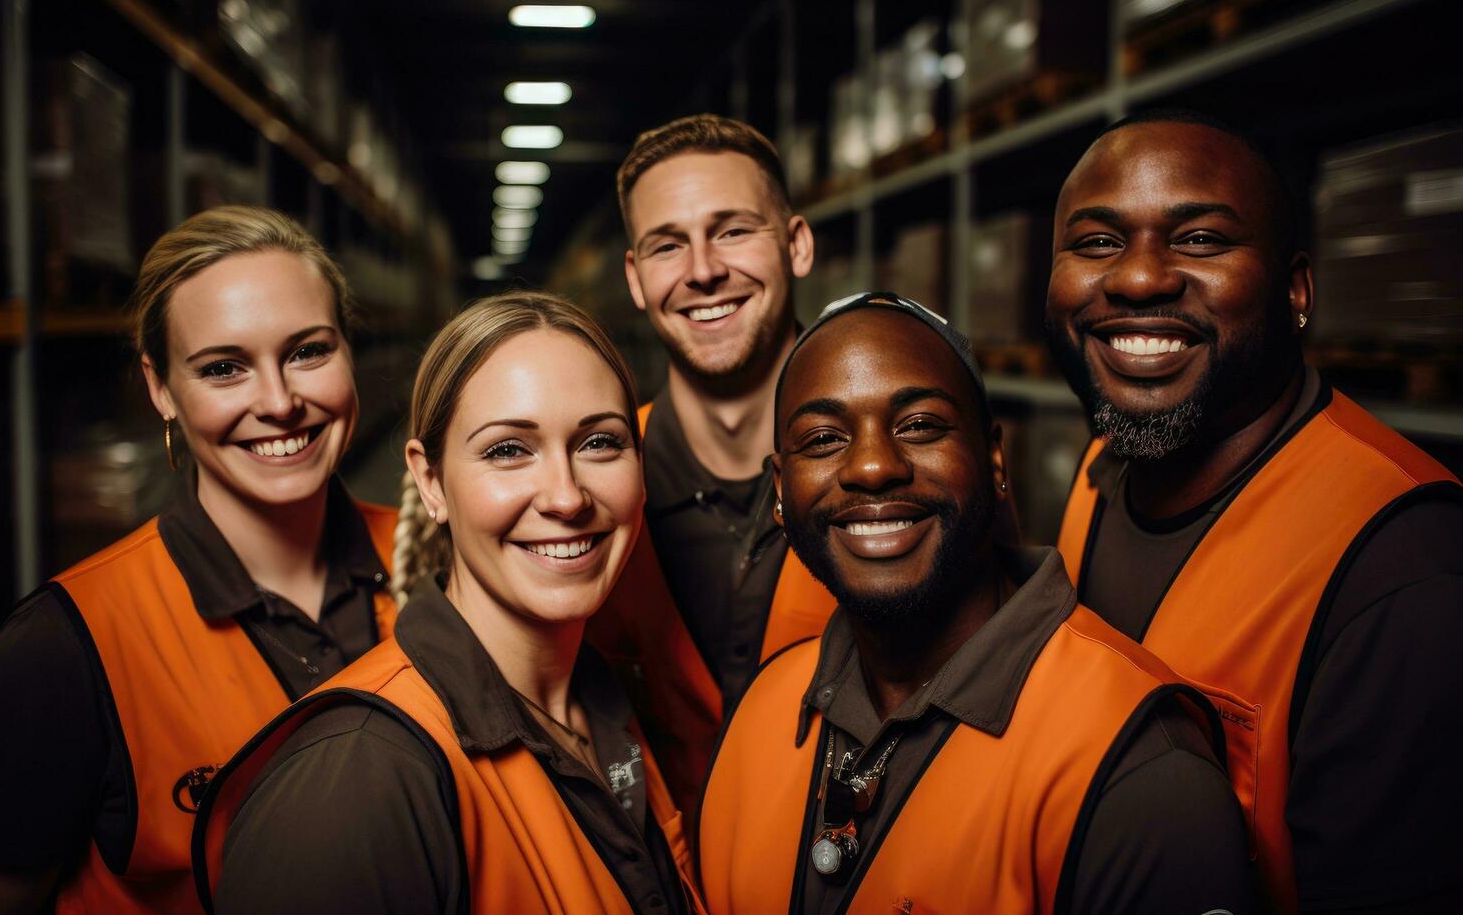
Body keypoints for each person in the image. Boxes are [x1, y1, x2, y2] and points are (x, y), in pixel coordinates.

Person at [699, 292, 1256, 913]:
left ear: (994, 458)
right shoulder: (760, 716)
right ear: (781, 491)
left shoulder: (1141, 777)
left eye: (919, 425)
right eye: (824, 438)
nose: (874, 466)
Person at [1046, 108, 1463, 913]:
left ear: (1296, 290)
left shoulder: (1403, 574)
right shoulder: (1103, 469)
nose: (1138, 278)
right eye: (1098, 241)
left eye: (1199, 240)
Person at [195, 291, 705, 915]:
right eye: (507, 450)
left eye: (599, 442)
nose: (567, 497)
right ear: (430, 481)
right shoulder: (361, 783)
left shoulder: (605, 707)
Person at [391, 114, 837, 822]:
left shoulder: (891, 476)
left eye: (733, 231)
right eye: (667, 244)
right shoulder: (587, 500)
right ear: (634, 277)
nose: (702, 270)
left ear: (798, 244)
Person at [0, 207, 401, 914]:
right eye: (223, 368)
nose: (279, 402)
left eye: (309, 351)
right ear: (160, 389)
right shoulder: (66, 645)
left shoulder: (445, 566)